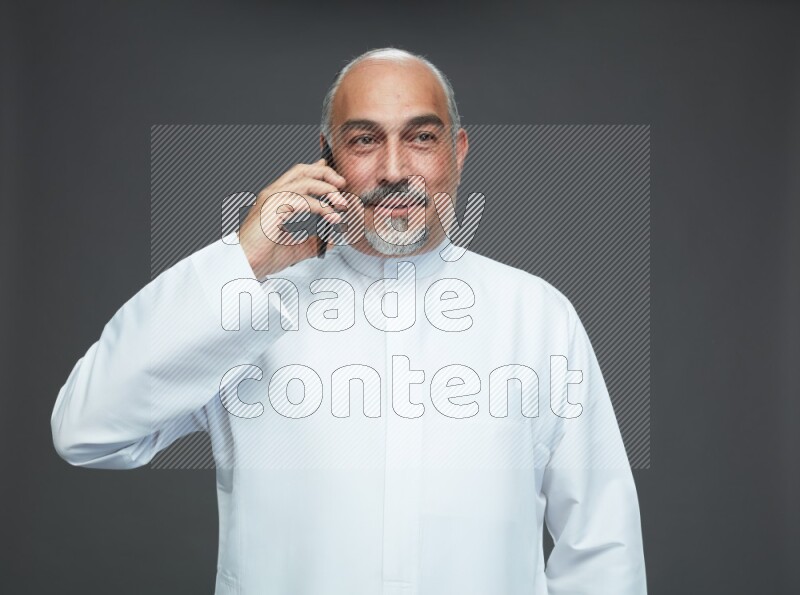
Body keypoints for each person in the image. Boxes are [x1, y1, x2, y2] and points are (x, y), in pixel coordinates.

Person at [51, 47, 647, 594]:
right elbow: (86, 430)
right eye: (364, 141)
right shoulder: (248, 308)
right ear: (328, 157)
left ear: (457, 153)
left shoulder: (537, 316)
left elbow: (601, 544)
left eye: (420, 137)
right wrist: (245, 256)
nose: (394, 169)